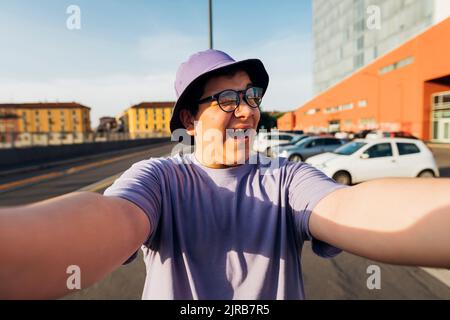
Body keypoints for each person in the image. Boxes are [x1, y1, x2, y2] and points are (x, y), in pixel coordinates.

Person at [0, 50, 449, 300]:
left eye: (251, 97)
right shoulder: (159, 179)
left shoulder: (286, 178)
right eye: (228, 100)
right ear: (190, 122)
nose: (248, 111)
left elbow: (353, 207)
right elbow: (107, 219)